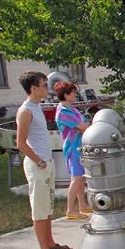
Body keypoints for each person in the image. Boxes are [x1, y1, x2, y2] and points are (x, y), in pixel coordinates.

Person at [16, 71, 74, 249]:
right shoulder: (26, 111)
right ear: (33, 88)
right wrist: (39, 161)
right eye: (43, 85)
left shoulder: (37, 107)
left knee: (47, 206)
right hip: (37, 164)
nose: (47, 88)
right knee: (40, 209)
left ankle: (51, 244)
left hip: (46, 163)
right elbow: (21, 143)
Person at [54, 79, 92, 219]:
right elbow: (83, 126)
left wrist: (84, 125)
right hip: (73, 148)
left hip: (79, 147)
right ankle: (70, 209)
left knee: (80, 178)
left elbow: (83, 123)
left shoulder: (71, 108)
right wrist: (84, 126)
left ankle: (82, 205)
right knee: (76, 179)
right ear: (66, 94)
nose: (75, 94)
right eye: (73, 92)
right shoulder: (63, 111)